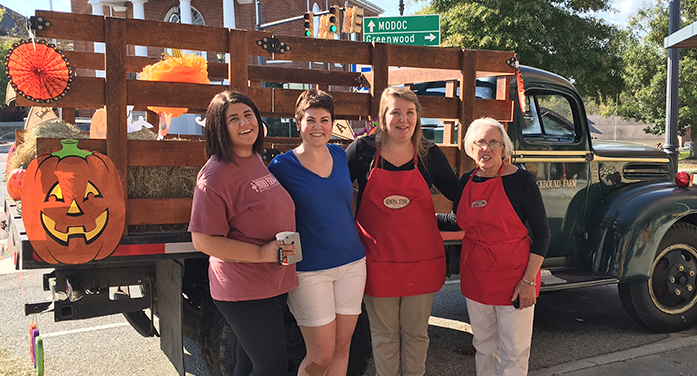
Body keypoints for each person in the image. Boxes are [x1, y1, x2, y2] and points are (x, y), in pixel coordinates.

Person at [347, 86, 459, 376]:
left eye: (410, 112)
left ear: (418, 117)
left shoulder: (429, 154)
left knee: (416, 336)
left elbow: (461, 194)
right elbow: (332, 188)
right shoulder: (363, 151)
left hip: (421, 263)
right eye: (395, 112)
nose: (403, 119)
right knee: (384, 337)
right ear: (383, 117)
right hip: (378, 262)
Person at [188, 91, 299, 376]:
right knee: (271, 367)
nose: (244, 122)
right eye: (233, 119)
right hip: (244, 287)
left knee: (246, 365)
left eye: (248, 114)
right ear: (218, 128)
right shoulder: (214, 175)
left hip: (271, 278)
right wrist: (261, 253)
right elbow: (202, 240)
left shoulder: (254, 159)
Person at [438, 117, 551, 376]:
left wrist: (528, 281)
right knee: (484, 345)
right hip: (476, 275)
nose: (486, 149)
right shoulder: (466, 180)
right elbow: (458, 221)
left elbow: (543, 235)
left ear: (504, 148)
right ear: (470, 147)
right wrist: (422, 218)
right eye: (480, 142)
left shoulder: (522, 181)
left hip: (515, 278)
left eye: (493, 143)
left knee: (514, 351)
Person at [268, 89, 367, 376]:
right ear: (298, 123)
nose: (318, 127)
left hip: (352, 264)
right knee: (321, 355)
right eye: (310, 120)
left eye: (325, 120)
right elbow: (271, 214)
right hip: (310, 270)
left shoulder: (339, 154)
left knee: (342, 348)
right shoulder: (282, 166)